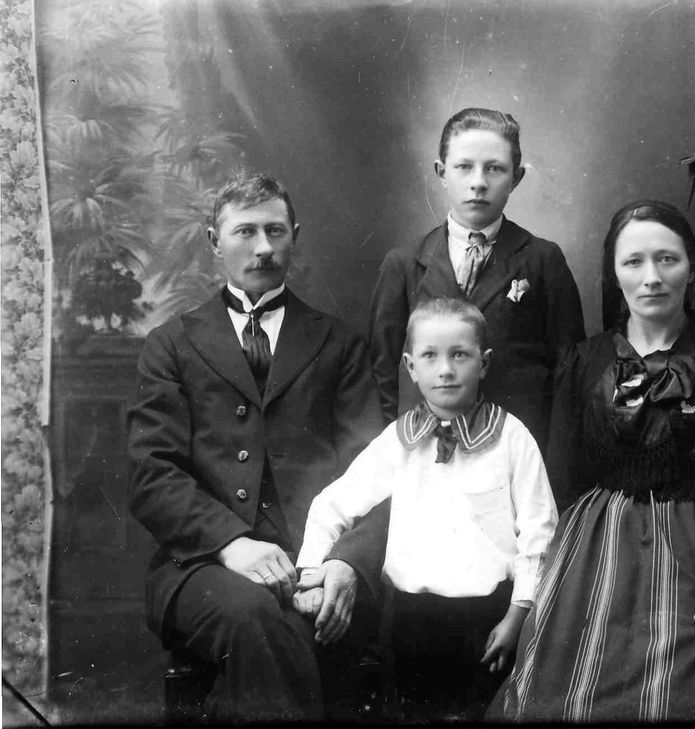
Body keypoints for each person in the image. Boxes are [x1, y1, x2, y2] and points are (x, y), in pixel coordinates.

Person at [498, 200, 695, 722]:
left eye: (667, 259)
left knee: (692, 695)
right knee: (561, 696)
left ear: (692, 268)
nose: (652, 277)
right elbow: (559, 482)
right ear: (614, 274)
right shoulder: (583, 361)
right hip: (592, 551)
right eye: (633, 262)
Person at [128, 169, 387, 722]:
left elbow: (377, 473)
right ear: (214, 241)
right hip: (200, 564)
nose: (263, 247)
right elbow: (152, 476)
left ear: (295, 236)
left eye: (275, 231)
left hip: (315, 562)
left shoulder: (339, 344)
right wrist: (231, 545)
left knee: (293, 625)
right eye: (245, 231)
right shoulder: (170, 345)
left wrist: (346, 564)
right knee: (257, 619)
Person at [294, 297, 558, 722]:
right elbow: (332, 504)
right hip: (410, 620)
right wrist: (311, 571)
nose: (446, 369)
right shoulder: (397, 441)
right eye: (430, 356)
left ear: (485, 363)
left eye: (460, 355)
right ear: (410, 367)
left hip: (489, 617)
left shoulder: (512, 438)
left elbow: (540, 533)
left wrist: (517, 616)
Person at [369, 107, 585, 449]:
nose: (479, 182)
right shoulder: (404, 263)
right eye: (464, 167)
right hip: (427, 450)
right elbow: (379, 375)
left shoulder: (543, 260)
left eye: (495, 168)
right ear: (442, 172)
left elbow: (569, 374)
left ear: (516, 178)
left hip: (515, 449)